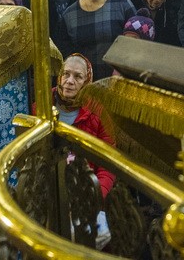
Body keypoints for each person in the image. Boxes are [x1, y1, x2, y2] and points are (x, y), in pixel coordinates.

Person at [54, 54, 116, 249]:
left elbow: (108, 162)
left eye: (77, 76)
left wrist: (96, 197)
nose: (69, 81)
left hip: (87, 193)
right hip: (52, 194)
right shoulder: (41, 105)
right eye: (66, 74)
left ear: (87, 81)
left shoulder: (99, 110)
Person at [55, 0, 136, 77]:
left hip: (119, 78)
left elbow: (135, 45)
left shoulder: (123, 6)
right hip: (85, 81)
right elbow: (66, 52)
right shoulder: (70, 14)